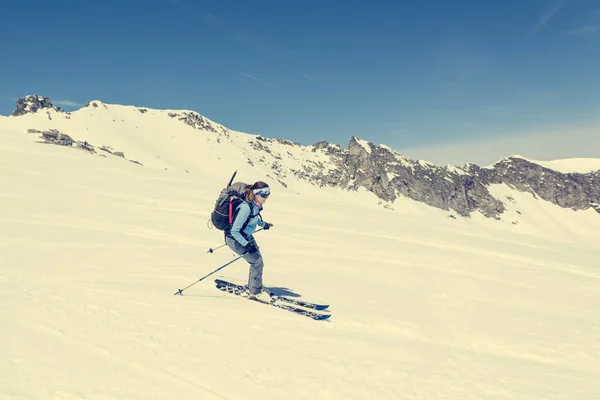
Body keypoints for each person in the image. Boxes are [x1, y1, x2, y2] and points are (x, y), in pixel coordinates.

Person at [225, 181, 273, 301]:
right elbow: (234, 231)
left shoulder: (255, 205)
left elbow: (253, 218)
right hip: (236, 239)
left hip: (246, 236)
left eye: (268, 194)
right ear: (256, 194)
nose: (266, 198)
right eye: (264, 195)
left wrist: (263, 224)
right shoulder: (245, 208)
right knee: (257, 262)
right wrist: (247, 245)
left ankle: (254, 286)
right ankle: (255, 291)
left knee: (258, 261)